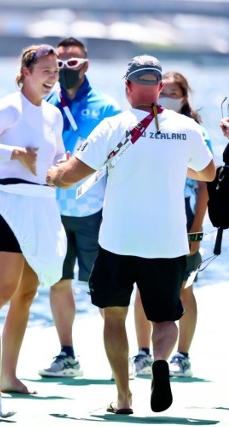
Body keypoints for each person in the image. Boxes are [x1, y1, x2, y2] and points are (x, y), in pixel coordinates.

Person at [46, 55, 215, 414]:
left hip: (118, 241)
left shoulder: (113, 125)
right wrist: (168, 161)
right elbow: (208, 173)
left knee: (113, 317)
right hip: (167, 242)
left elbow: (73, 175)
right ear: (157, 88)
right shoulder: (186, 128)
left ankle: (123, 396)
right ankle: (161, 362)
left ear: (127, 87)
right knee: (165, 318)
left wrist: (53, 174)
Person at [39, 37, 121, 378]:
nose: (65, 69)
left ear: (86, 65)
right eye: (60, 64)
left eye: (73, 63)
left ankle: (123, 355)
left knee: (101, 289)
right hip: (52, 209)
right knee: (58, 282)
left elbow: (119, 154)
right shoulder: (44, 102)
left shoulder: (107, 107)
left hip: (93, 211)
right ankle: (67, 353)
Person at [0, 44, 66, 394]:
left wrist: (65, 167)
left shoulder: (54, 115)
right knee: (0, 291)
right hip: (9, 203)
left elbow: (59, 157)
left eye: (56, 70)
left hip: (42, 206)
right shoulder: (8, 106)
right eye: (47, 69)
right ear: (26, 72)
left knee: (27, 292)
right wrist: (15, 153)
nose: (53, 76)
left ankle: (7, 375)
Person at [131, 71, 213, 378]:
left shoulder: (193, 131)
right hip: (147, 217)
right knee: (141, 287)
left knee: (183, 290)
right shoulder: (141, 126)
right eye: (162, 91)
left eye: (174, 92)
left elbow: (206, 182)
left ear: (184, 96)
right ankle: (141, 352)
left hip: (183, 216)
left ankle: (183, 355)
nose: (166, 96)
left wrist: (196, 229)